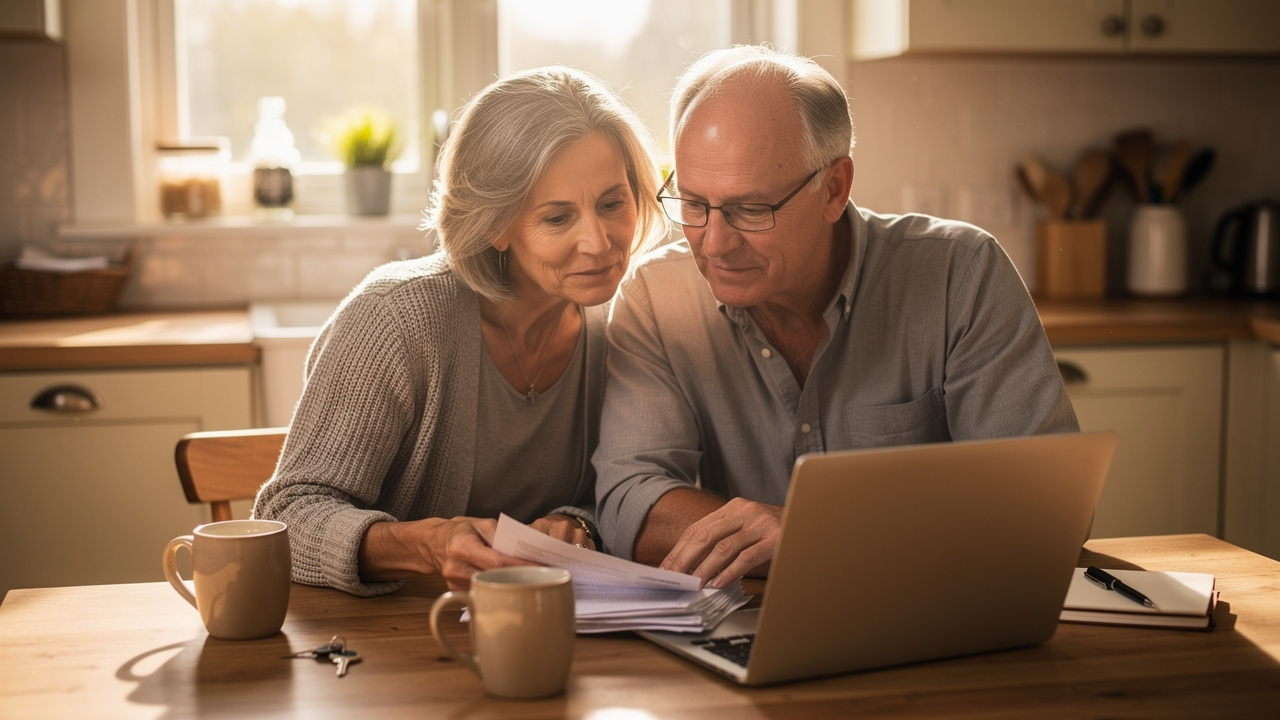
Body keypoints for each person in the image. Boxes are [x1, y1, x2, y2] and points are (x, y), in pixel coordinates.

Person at [593, 46, 1078, 589]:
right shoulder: (656, 296)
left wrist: (816, 535)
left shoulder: (960, 275)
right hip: (753, 626)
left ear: (834, 189)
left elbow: (1043, 506)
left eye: (751, 209)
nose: (715, 242)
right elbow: (630, 499)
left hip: (935, 619)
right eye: (693, 203)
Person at [254, 67, 664, 595]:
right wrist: (423, 545)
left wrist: (577, 523)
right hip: (383, 644)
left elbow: (615, 492)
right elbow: (287, 518)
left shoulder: (621, 325)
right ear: (496, 225)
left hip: (531, 632)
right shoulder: (395, 318)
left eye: (612, 204)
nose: (600, 242)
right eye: (558, 219)